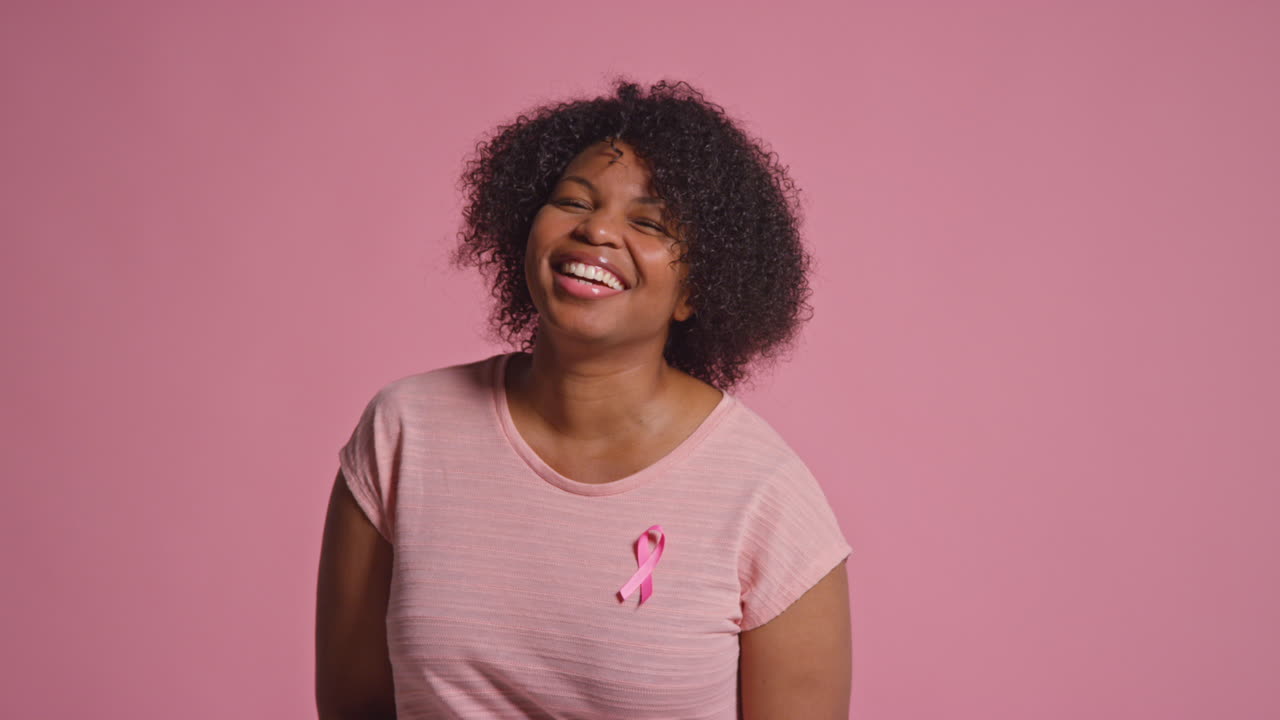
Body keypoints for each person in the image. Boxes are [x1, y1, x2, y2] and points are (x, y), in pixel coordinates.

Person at [316, 78, 852, 719]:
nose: (597, 230)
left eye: (649, 222)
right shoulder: (404, 431)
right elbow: (355, 705)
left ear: (696, 291)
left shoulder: (765, 495)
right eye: (573, 201)